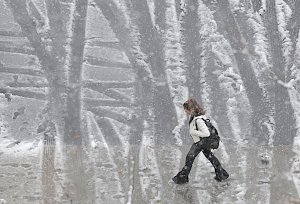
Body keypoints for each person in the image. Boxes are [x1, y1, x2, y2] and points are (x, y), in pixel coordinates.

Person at [172, 98, 229, 184]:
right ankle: (221, 174)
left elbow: (206, 133)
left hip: (200, 143)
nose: (185, 112)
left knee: (190, 158)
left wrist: (194, 132)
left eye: (186, 110)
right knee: (210, 157)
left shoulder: (198, 120)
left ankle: (182, 178)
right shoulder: (196, 117)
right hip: (202, 142)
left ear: (191, 109)